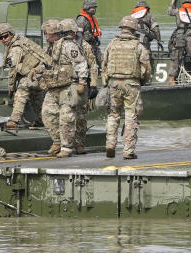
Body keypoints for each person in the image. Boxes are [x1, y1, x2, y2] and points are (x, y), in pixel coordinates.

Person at [101, 16, 152, 160]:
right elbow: (146, 68)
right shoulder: (138, 46)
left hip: (114, 84)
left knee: (113, 114)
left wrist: (106, 81)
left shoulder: (111, 44)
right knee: (131, 116)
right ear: (134, 29)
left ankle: (110, 145)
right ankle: (128, 151)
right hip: (131, 84)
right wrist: (142, 80)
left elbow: (104, 64)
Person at [38, 18, 89, 158]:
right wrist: (37, 70)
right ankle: (57, 141)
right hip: (54, 86)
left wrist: (82, 82)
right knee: (47, 114)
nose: (45, 35)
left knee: (66, 117)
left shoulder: (68, 46)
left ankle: (67, 147)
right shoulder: (51, 47)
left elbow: (81, 63)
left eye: (46, 33)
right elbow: (48, 63)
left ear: (54, 33)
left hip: (68, 86)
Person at [0, 22, 48, 130]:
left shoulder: (15, 48)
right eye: (0, 38)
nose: (3, 39)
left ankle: (14, 120)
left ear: (11, 34)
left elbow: (13, 71)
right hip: (41, 72)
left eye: (5, 36)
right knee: (36, 97)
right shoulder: (22, 41)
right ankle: (43, 120)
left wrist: (11, 89)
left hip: (35, 73)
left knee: (21, 90)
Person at [61, 18, 99, 155]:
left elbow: (93, 65)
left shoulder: (84, 46)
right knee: (65, 116)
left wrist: (93, 85)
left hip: (82, 84)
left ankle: (80, 144)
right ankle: (65, 144)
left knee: (81, 117)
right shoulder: (61, 45)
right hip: (66, 84)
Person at [76, 0, 103, 67]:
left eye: (95, 8)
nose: (94, 10)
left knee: (102, 61)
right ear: (86, 8)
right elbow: (79, 34)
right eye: (92, 8)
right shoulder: (81, 19)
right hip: (85, 44)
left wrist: (97, 39)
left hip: (92, 43)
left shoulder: (91, 18)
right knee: (91, 64)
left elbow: (93, 31)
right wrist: (79, 47)